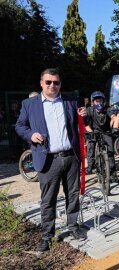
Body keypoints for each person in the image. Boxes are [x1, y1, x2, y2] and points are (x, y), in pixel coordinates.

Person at [15, 68, 87, 252]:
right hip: (48, 159)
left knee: (72, 196)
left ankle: (73, 227)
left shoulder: (69, 102)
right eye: (48, 82)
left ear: (60, 84)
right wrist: (31, 134)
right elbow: (20, 126)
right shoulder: (29, 104)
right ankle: (47, 235)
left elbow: (80, 123)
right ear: (41, 83)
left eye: (56, 82)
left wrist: (84, 116)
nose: (52, 86)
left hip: (71, 157)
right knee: (48, 200)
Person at [85, 91, 116, 174]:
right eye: (96, 101)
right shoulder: (89, 110)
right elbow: (86, 124)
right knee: (91, 145)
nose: (99, 103)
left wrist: (114, 122)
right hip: (93, 131)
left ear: (103, 101)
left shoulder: (107, 109)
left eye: (100, 101)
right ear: (93, 102)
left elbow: (113, 116)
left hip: (106, 131)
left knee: (110, 150)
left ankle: (112, 171)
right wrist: (91, 132)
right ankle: (90, 166)